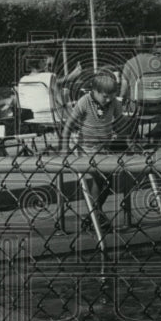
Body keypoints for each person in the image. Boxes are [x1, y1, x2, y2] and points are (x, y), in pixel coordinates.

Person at [62, 69, 124, 232]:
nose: (108, 98)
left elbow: (121, 124)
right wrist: (64, 149)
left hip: (103, 149)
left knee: (106, 179)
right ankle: (96, 215)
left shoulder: (115, 103)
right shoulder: (84, 102)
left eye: (112, 94)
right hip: (84, 149)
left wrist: (128, 141)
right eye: (105, 95)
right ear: (94, 92)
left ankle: (94, 214)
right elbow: (68, 126)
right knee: (102, 175)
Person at [119, 38, 161, 140]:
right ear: (151, 48)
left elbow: (123, 91)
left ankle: (135, 135)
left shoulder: (129, 63)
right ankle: (157, 133)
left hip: (138, 107)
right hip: (160, 107)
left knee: (120, 106)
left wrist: (120, 99)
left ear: (135, 49)